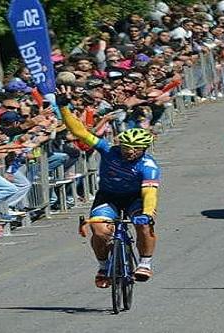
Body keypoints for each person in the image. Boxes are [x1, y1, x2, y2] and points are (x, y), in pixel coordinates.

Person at [57, 87, 161, 288]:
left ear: (144, 149)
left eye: (135, 149)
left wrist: (147, 213)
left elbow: (149, 193)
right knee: (99, 231)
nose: (129, 152)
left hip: (135, 198)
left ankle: (145, 263)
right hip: (108, 197)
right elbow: (79, 131)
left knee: (144, 224)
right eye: (125, 148)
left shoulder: (149, 166)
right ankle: (103, 266)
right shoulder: (107, 150)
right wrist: (63, 108)